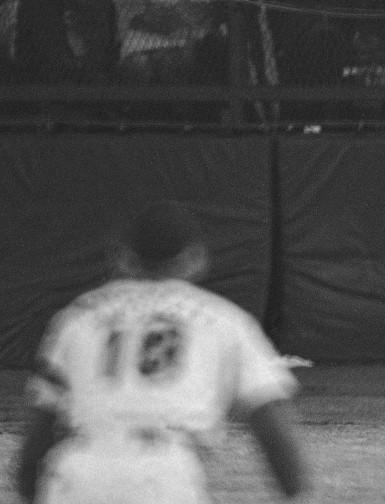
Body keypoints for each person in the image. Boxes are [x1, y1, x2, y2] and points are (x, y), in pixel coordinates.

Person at [16, 201, 311, 504]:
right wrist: (295, 491)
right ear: (196, 258)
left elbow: (40, 424)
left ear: (124, 258)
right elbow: (269, 417)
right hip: (164, 470)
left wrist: (27, 488)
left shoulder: (78, 317)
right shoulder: (224, 319)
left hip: (80, 468)